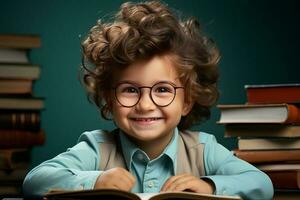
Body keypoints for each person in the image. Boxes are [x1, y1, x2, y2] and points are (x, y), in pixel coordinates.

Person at [23, 1, 274, 199]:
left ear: (187, 101)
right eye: (130, 90)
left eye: (163, 90)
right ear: (109, 100)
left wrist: (209, 186)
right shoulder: (97, 147)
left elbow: (261, 185)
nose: (145, 105)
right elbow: (35, 181)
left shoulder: (204, 150)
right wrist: (96, 182)